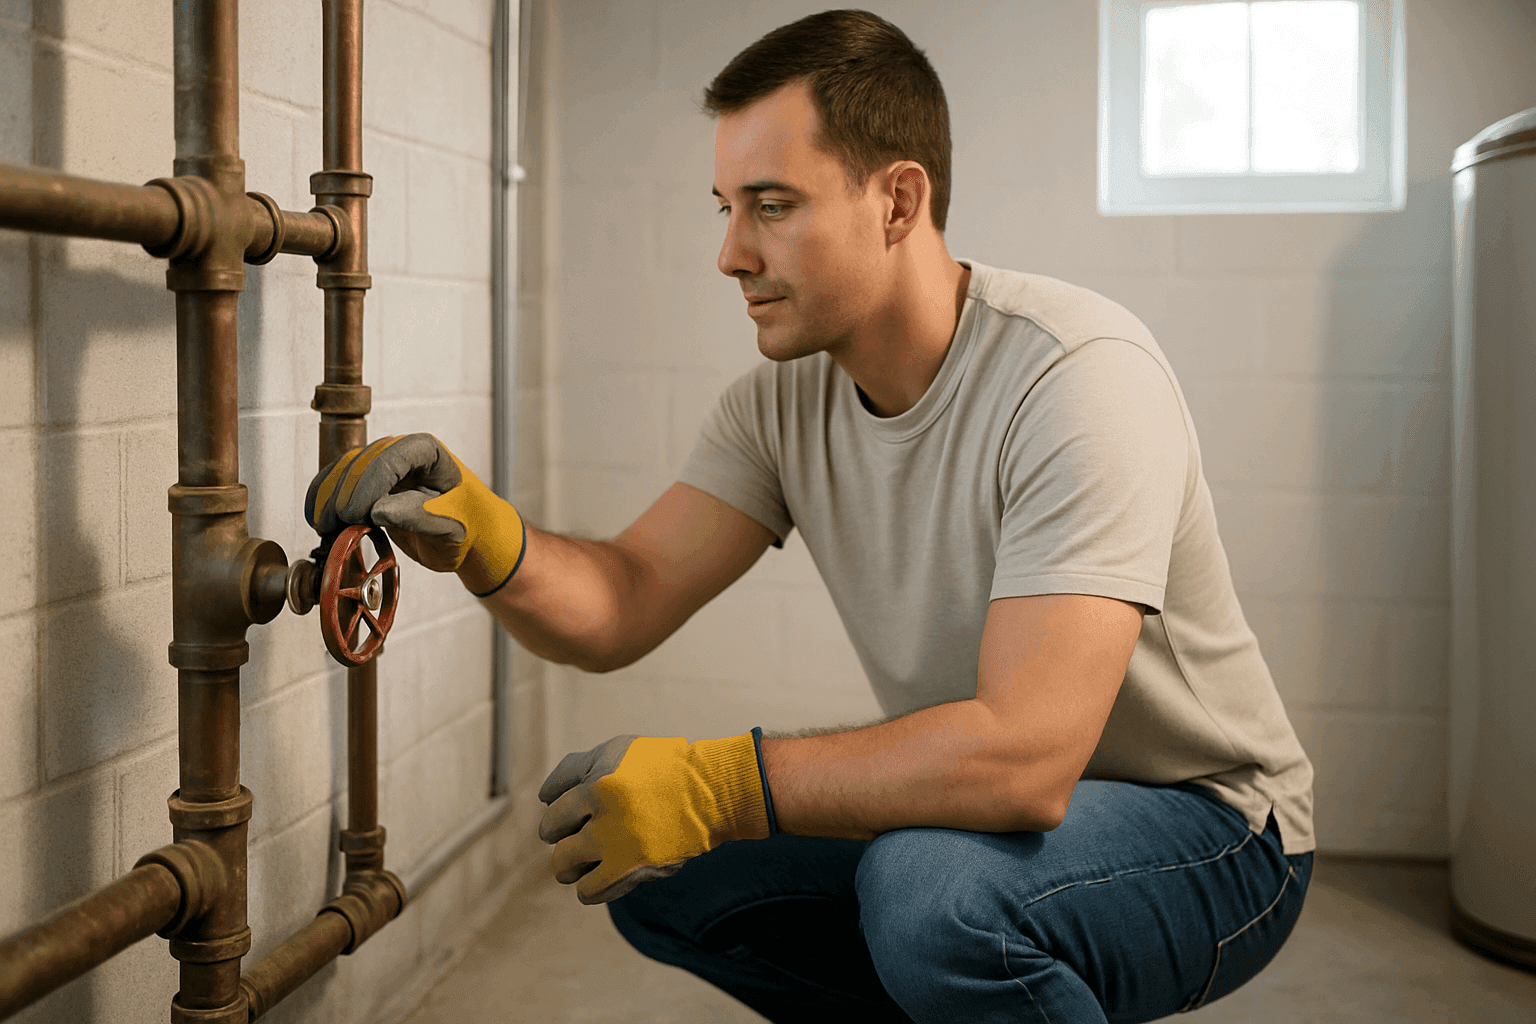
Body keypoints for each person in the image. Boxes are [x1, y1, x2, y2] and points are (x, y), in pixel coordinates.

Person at [304, 9, 1316, 1023]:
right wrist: (485, 535)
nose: (731, 254)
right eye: (725, 208)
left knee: (933, 895)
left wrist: (718, 785)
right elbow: (625, 596)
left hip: (1213, 828)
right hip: (996, 817)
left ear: (897, 201)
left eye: (772, 205)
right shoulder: (780, 405)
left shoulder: (1075, 376)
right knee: (670, 874)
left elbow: (1026, 755)